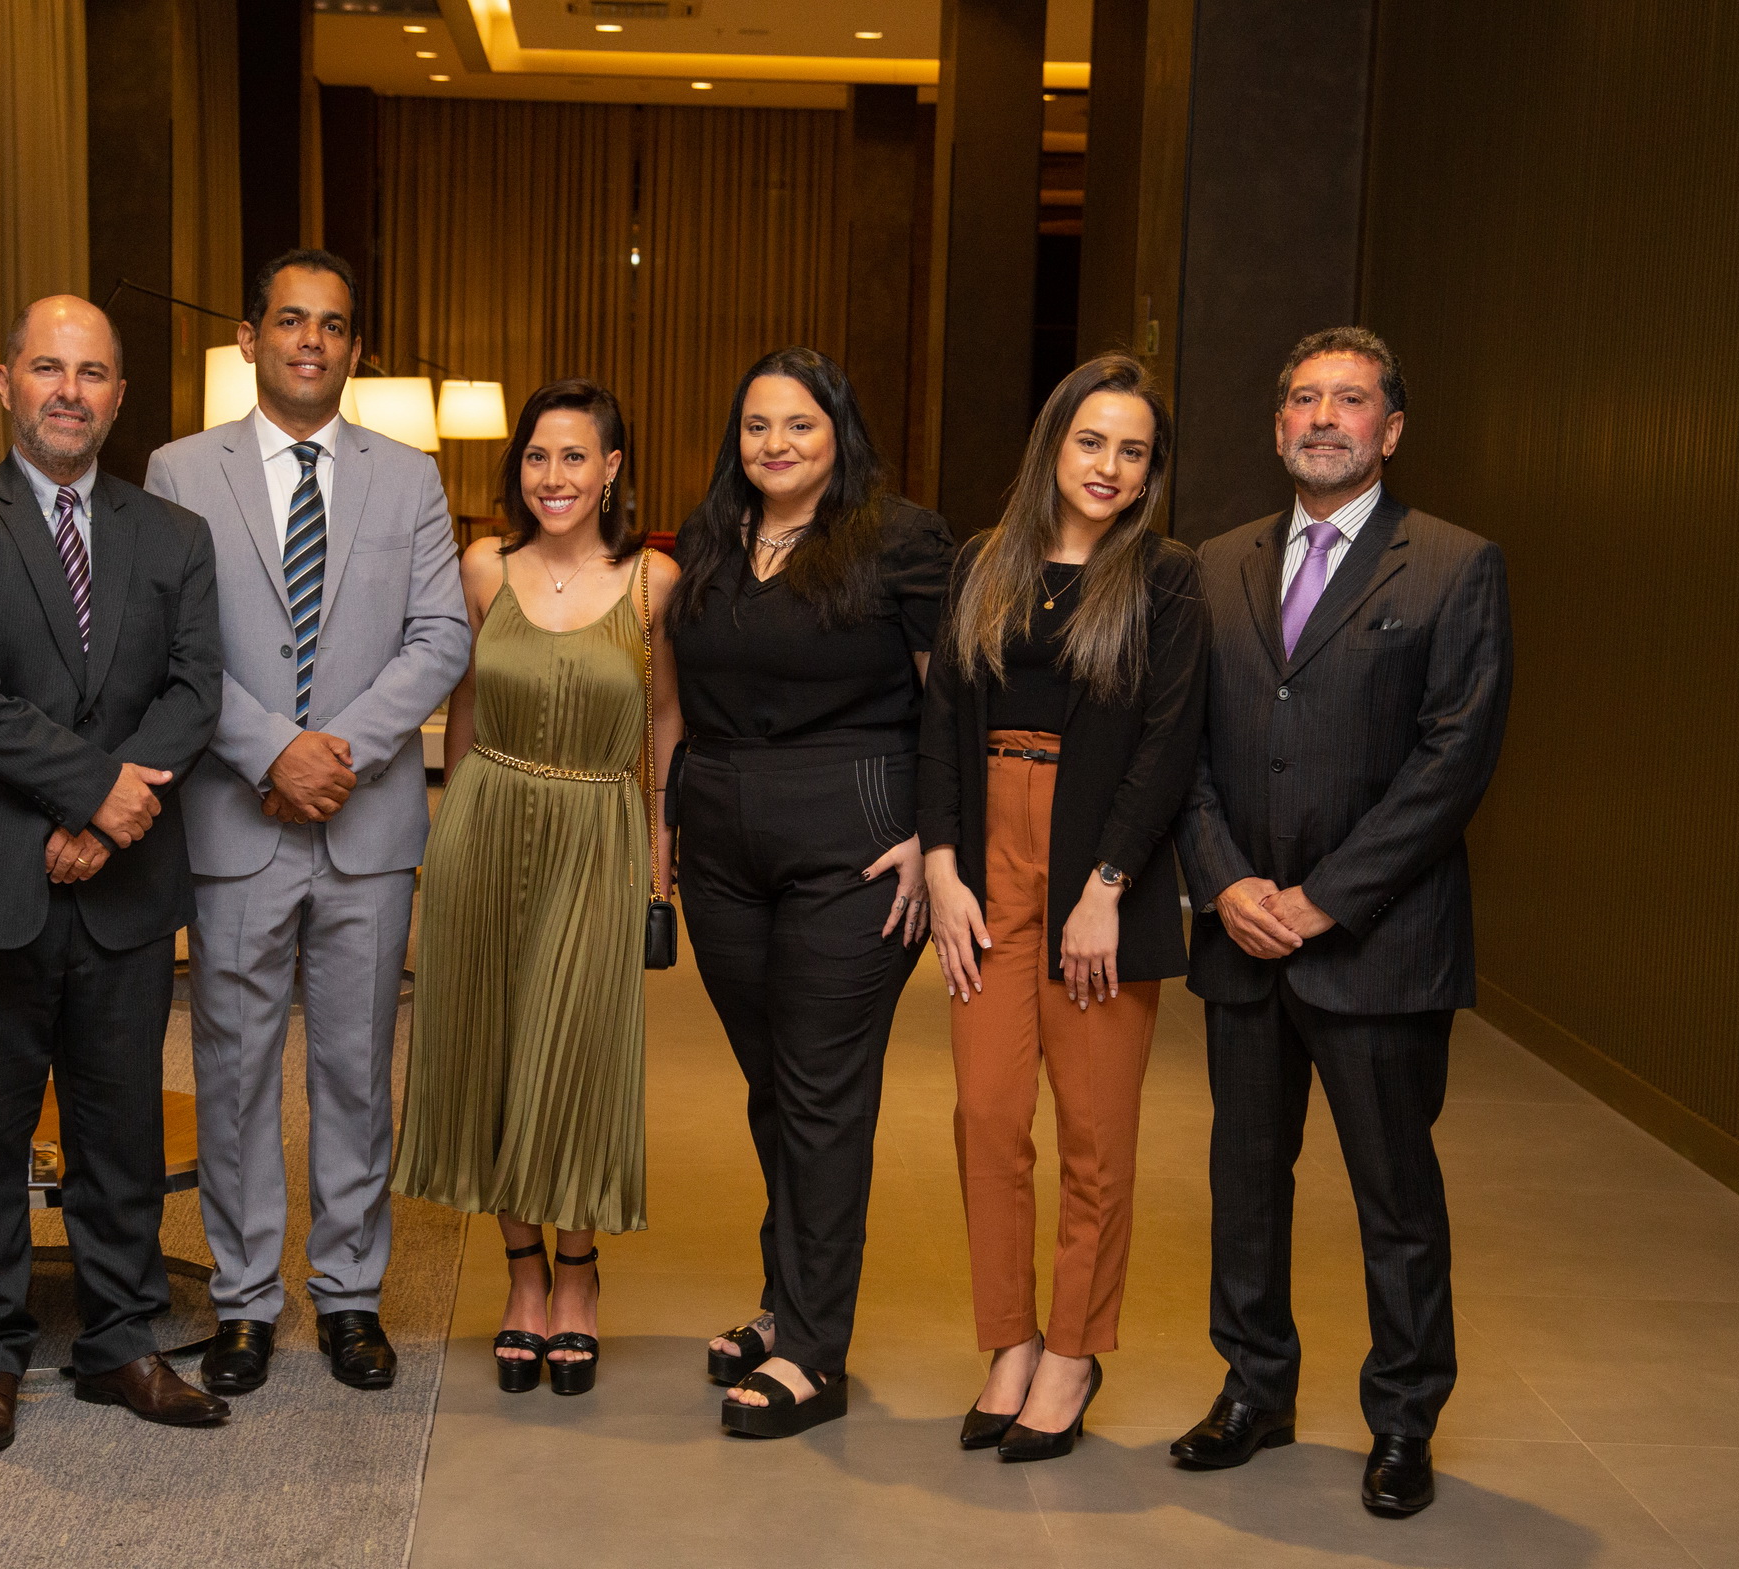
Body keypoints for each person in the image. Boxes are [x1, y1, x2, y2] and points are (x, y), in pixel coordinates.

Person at [1171, 327, 1512, 1515]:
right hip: (1239, 937)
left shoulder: (1454, 566)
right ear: (1277, 427)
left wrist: (1323, 899)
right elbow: (1180, 746)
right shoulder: (1213, 565)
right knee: (1244, 1187)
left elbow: (1452, 762)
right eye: (1305, 399)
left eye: (1351, 399)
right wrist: (1223, 883)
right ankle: (1253, 1390)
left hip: (1380, 948)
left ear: (1390, 429)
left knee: (1394, 1202)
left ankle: (1403, 1421)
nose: (1324, 417)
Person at [0, 294, 226, 1454]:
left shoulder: (173, 537)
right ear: (6, 383)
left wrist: (110, 819)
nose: (68, 392)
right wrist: (93, 793)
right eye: (47, 368)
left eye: (91, 373)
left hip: (122, 882)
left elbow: (194, 689)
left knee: (118, 1130)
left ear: (119, 396)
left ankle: (120, 1342)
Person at [142, 250, 469, 1396]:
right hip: (233, 823)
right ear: (250, 337)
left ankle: (347, 1296)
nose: (310, 341)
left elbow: (440, 634)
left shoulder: (408, 478)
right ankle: (241, 1301)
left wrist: (338, 752)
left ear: (354, 350)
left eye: (332, 326)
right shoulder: (180, 470)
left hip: (366, 829)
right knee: (232, 1072)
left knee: (355, 1072)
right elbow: (169, 644)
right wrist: (271, 750)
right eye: (290, 320)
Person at [919, 354, 1208, 1462]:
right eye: (1091, 441)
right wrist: (942, 863)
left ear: (1150, 471)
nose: (1109, 467)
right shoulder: (981, 563)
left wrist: (1109, 886)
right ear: (1053, 444)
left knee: (1094, 1136)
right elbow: (941, 718)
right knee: (988, 1120)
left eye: (1133, 451)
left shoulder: (1164, 579)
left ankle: (1073, 1352)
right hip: (987, 862)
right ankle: (1009, 1338)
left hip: (1095, 870)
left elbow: (1167, 741)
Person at [668, 346, 954, 1438]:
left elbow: (951, 702)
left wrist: (932, 836)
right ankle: (785, 1299)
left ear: (839, 432)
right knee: (772, 1084)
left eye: (798, 424)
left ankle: (814, 1350)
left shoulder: (901, 539)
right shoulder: (710, 537)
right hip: (723, 841)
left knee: (823, 1088)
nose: (775, 444)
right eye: (756, 426)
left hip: (857, 838)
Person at [392, 380, 680, 1398]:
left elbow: (665, 726)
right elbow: (466, 705)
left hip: (598, 830)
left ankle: (579, 1273)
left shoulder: (653, 582)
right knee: (495, 1052)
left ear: (611, 469)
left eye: (574, 456)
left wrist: (659, 863)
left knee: (578, 1053)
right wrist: (445, 845)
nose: (552, 477)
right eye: (535, 456)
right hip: (484, 823)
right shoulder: (483, 567)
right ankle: (522, 1276)